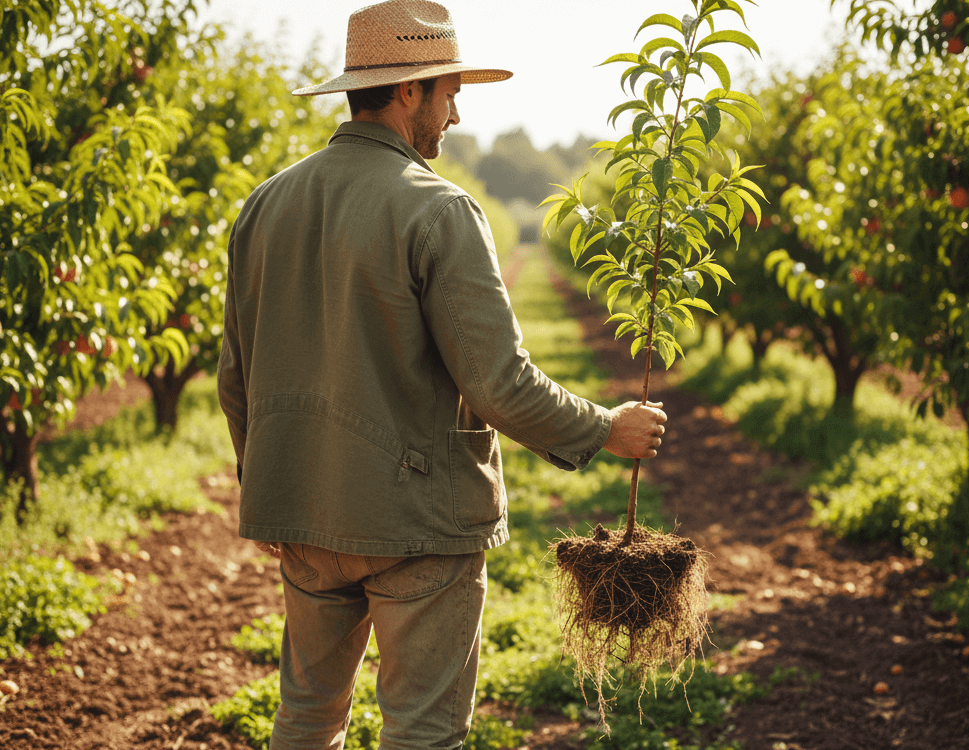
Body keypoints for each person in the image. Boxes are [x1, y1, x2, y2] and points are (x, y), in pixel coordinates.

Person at [217, 1, 667, 748]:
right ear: (408, 91)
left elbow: (237, 374)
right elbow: (497, 383)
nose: (456, 115)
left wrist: (267, 482)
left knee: (306, 716)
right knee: (423, 732)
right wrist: (604, 429)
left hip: (302, 508)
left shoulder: (264, 205)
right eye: (450, 93)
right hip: (417, 521)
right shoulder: (437, 209)